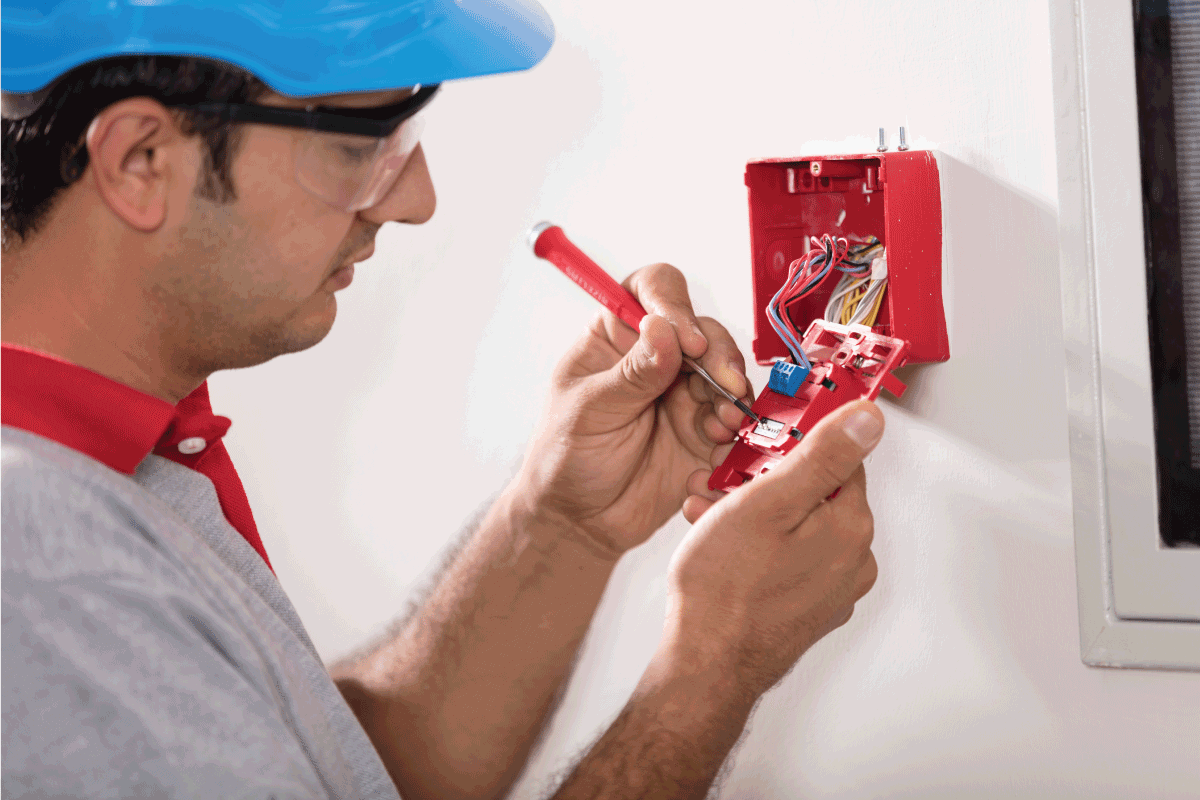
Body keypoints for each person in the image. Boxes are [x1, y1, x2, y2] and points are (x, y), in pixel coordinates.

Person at [1, 1, 882, 797]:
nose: (415, 201)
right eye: (360, 146)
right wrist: (713, 667)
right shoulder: (39, 565)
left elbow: (324, 771)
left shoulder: (121, 458)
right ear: (140, 161)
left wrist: (563, 525)